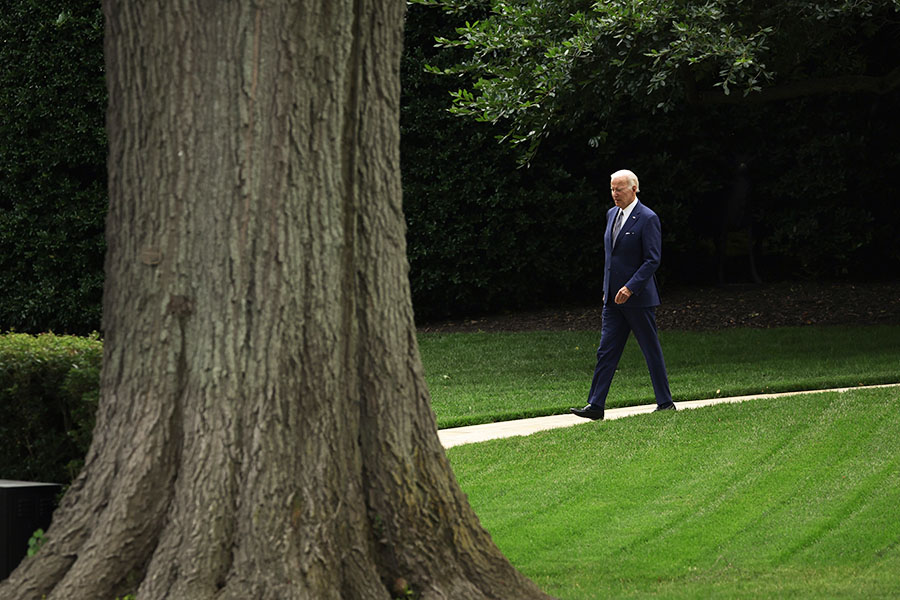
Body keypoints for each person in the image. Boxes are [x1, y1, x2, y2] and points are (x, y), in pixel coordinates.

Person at [570, 169, 675, 420]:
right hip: (612, 301)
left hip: (638, 299)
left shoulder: (648, 218)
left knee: (651, 350)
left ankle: (665, 402)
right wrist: (608, 290)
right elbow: (611, 258)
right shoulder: (611, 214)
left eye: (619, 189)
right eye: (612, 189)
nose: (614, 194)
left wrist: (630, 287)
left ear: (634, 189)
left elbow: (652, 260)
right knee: (606, 351)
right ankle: (595, 405)